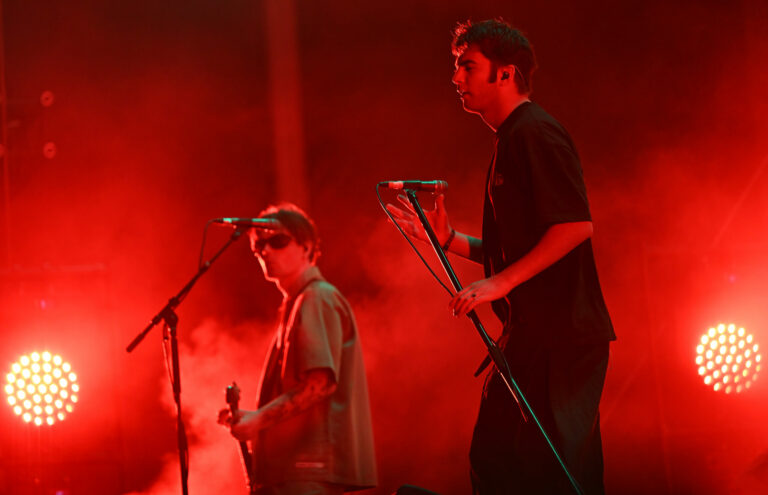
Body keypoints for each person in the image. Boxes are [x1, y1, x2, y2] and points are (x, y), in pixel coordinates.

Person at [387, 19, 615, 494]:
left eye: (468, 66)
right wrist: (448, 241)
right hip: (528, 338)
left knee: (548, 475)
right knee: (494, 463)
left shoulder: (535, 133)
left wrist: (501, 283)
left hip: (562, 339)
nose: (456, 77)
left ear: (505, 73)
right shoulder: (509, 140)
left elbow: (575, 226)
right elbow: (513, 253)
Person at [219, 203, 377, 495]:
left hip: (308, 467)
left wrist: (257, 420)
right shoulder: (298, 302)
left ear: (307, 247)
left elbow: (319, 384)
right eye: (258, 246)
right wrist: (253, 419)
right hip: (299, 468)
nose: (266, 251)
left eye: (278, 241)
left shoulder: (315, 298)